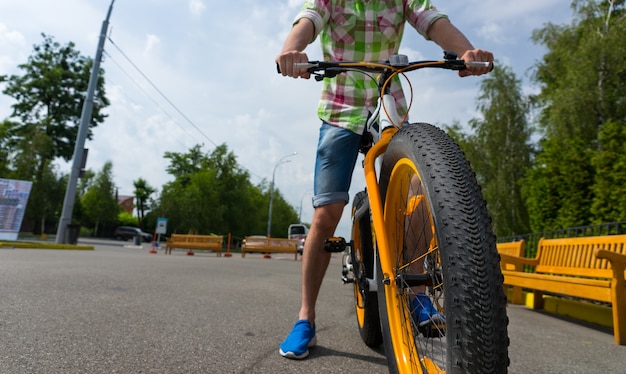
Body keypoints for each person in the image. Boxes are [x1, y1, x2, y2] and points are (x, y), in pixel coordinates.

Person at [275, 0, 493, 360]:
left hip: (388, 103)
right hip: (340, 108)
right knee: (327, 212)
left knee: (418, 191)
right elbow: (308, 22)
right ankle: (305, 318)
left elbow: (434, 22)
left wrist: (465, 52)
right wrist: (292, 51)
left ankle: (418, 296)